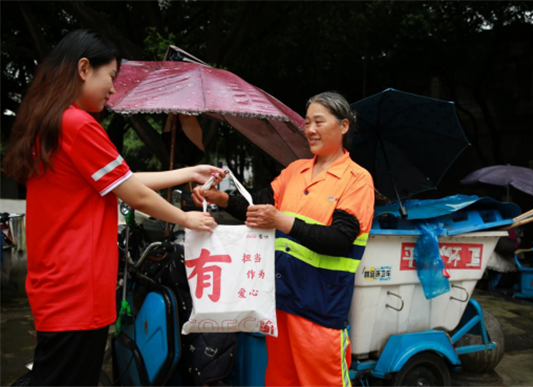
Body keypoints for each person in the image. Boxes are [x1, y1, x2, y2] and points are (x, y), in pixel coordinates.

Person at [3, 29, 225, 386]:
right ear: (84, 68)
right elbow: (133, 194)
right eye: (111, 77)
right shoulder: (77, 124)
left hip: (55, 283)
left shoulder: (50, 122)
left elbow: (122, 181)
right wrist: (186, 217)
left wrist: (187, 171)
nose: (113, 88)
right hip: (78, 287)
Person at [192, 91, 375, 386]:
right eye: (306, 123)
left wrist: (282, 221)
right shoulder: (295, 171)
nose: (310, 130)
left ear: (343, 126)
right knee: (281, 380)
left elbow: (340, 238)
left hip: (321, 306)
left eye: (318, 122)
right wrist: (222, 198)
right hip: (279, 301)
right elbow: (258, 206)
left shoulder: (357, 179)